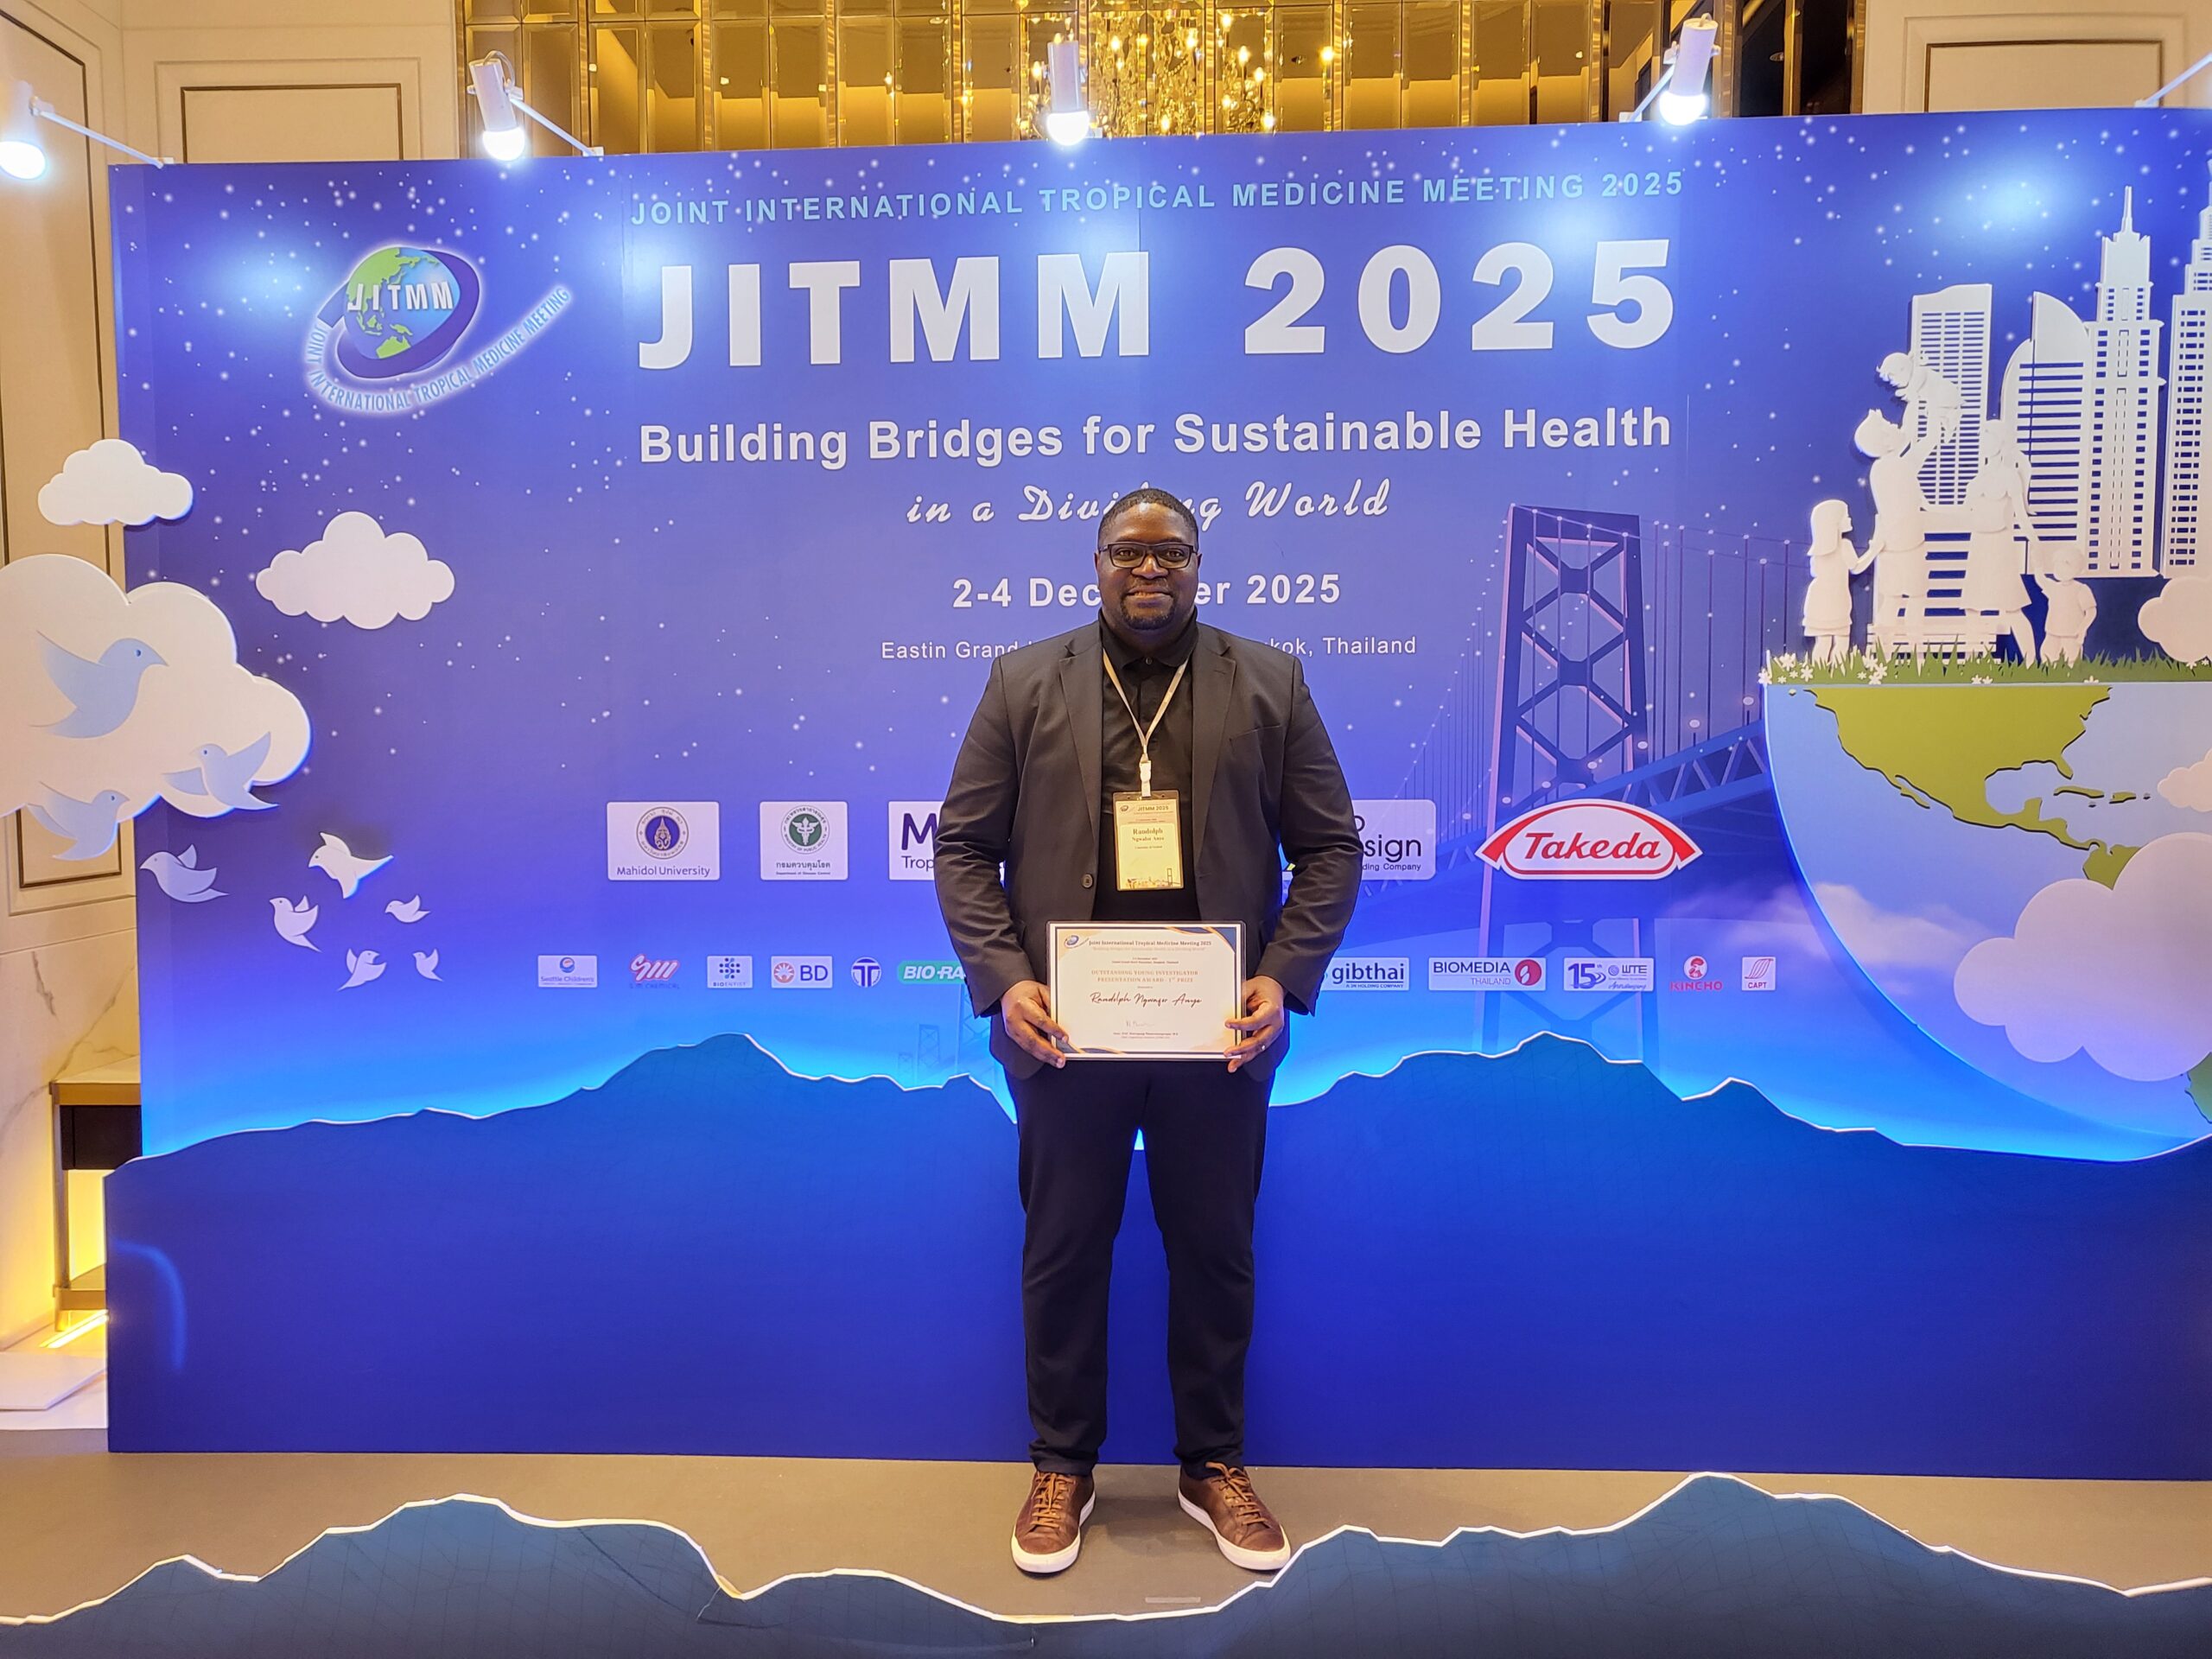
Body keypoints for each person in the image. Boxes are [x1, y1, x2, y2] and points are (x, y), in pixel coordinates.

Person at [934, 486, 1363, 1577]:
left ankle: (1210, 1461)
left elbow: (1330, 850)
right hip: (1065, 1034)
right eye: (1129, 552)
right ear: (1096, 564)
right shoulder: (1023, 680)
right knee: (1064, 1248)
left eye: (1170, 551)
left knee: (1214, 1252)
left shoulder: (1269, 680)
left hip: (1213, 1029)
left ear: (1198, 564)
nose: (1149, 570)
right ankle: (1061, 1466)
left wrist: (1281, 978)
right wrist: (1003, 981)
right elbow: (962, 848)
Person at [1959, 419, 2040, 664]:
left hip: (2000, 548)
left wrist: (2037, 547)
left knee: (2012, 608)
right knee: (1973, 608)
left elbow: (2021, 516)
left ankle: (2031, 663)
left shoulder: (2009, 476)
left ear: (2001, 442)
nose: (1984, 442)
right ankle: (1972, 663)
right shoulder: (1979, 476)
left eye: (1989, 437)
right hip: (1979, 546)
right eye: (1982, 437)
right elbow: (1966, 512)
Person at [1801, 499, 1865, 665]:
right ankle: (1837, 676)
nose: (1849, 519)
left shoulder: (1818, 551)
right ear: (1834, 522)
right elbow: (1856, 567)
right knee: (1842, 642)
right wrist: (1875, 549)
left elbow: (1815, 572)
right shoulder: (1845, 545)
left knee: (1823, 643)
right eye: (1846, 516)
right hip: (1836, 600)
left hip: (1819, 599)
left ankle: (1819, 677)